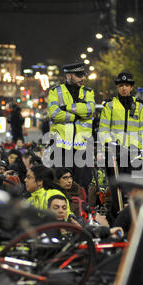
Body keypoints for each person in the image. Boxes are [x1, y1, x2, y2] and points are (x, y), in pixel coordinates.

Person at [98, 71, 143, 218]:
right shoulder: (109, 106)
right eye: (121, 85)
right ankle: (116, 219)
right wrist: (112, 145)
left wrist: (137, 147)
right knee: (116, 191)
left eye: (127, 85)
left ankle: (133, 219)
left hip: (134, 155)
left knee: (133, 190)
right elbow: (103, 130)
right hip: (114, 155)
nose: (124, 88)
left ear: (132, 87)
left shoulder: (141, 106)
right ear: (117, 88)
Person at [46, 62, 95, 192]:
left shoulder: (88, 92)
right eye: (78, 75)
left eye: (83, 75)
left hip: (82, 147)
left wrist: (67, 108)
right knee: (60, 185)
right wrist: (76, 116)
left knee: (82, 186)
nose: (82, 78)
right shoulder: (55, 91)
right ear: (68, 75)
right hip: (61, 147)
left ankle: (81, 210)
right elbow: (54, 114)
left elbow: (89, 110)